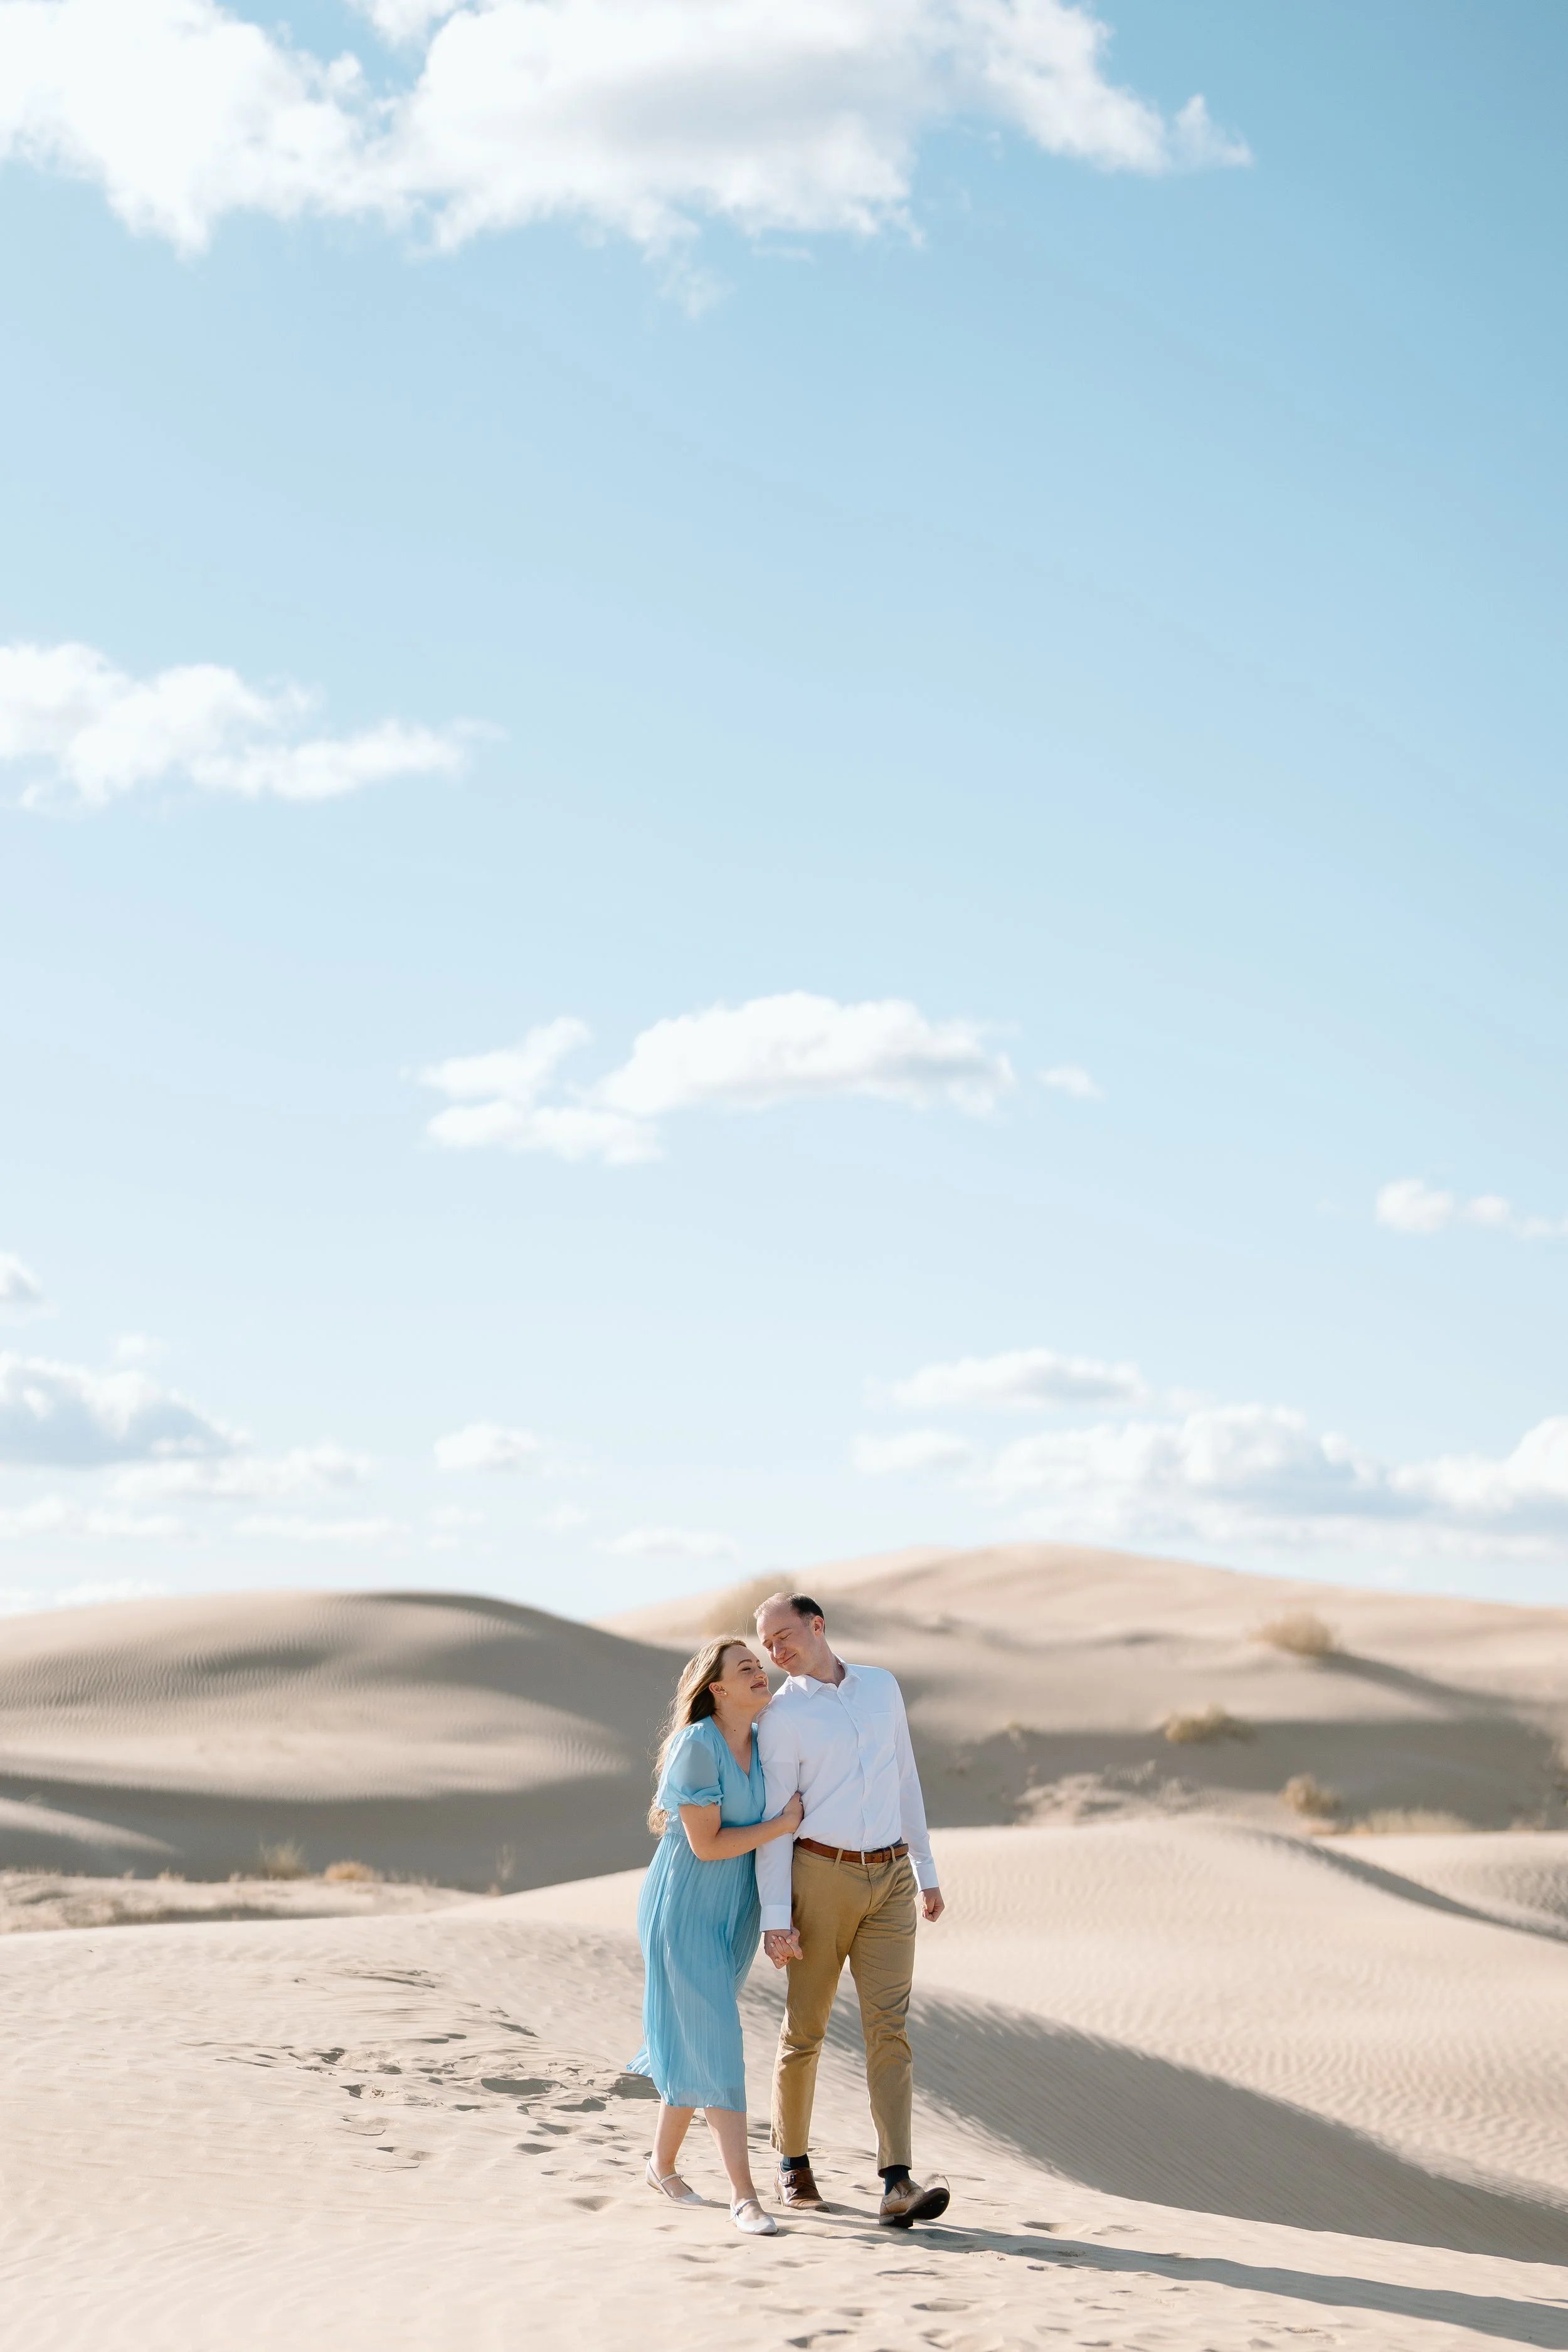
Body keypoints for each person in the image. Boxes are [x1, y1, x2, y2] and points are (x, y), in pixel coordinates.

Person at [753, 1592, 950, 2228]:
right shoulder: (781, 1717)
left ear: (817, 1626)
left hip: (891, 1877)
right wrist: (776, 1917)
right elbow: (776, 1822)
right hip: (820, 1878)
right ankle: (792, 2164)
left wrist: (926, 1872)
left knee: (889, 2029)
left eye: (783, 1636)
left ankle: (896, 2182)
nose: (775, 1651)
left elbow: (905, 1778)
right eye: (766, 1644)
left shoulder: (881, 1687)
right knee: (805, 2029)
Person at [628, 1636, 804, 2236]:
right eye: (745, 1668)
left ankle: (661, 2166)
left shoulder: (763, 1740)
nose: (760, 1673)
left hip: (734, 1910)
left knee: (696, 2036)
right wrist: (782, 1824)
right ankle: (744, 2197)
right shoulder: (697, 1746)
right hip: (684, 1908)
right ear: (717, 1689)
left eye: (760, 1665)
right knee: (719, 2041)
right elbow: (705, 1846)